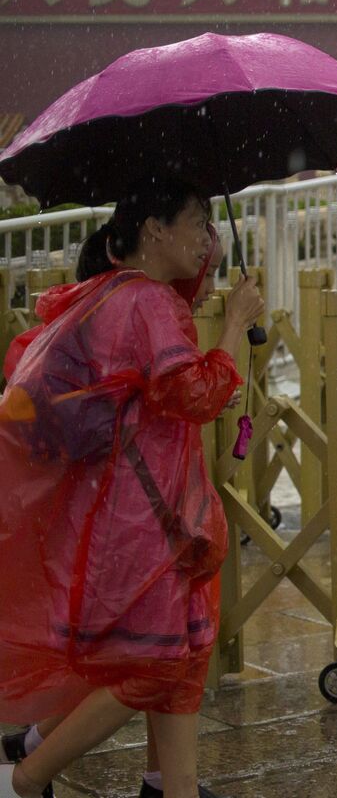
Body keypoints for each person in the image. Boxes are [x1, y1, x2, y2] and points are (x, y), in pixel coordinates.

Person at [0, 179, 264, 798]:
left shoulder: (126, 293)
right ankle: (27, 778)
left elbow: (164, 342)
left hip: (137, 509)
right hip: (141, 520)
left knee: (184, 646)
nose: (206, 238)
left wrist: (208, 270)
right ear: (155, 230)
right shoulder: (145, 302)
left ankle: (171, 786)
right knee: (154, 662)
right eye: (198, 223)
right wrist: (233, 327)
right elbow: (193, 393)